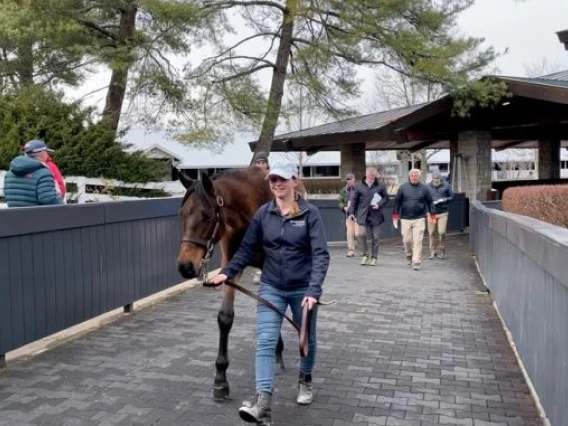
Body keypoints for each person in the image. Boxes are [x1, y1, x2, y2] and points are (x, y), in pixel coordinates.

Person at [210, 162, 330, 425]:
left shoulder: (310, 214)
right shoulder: (264, 214)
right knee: (265, 341)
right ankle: (263, 404)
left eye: (282, 180)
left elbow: (321, 255)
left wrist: (314, 290)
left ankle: (305, 379)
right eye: (273, 180)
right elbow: (246, 249)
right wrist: (226, 273)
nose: (277, 184)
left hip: (303, 289)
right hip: (272, 286)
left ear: (294, 182)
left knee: (306, 339)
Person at [392, 169, 435, 271]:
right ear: (409, 177)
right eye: (412, 176)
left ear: (419, 177)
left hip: (419, 218)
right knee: (407, 240)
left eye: (416, 176)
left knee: (418, 241)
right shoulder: (403, 188)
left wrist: (432, 215)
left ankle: (416, 261)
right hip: (405, 218)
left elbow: (430, 202)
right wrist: (395, 215)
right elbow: (397, 202)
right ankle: (408, 254)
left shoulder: (424, 189)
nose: (414, 177)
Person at [3, 140, 64, 208]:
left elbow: (7, 197)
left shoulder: (9, 174)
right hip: (36, 217)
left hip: (13, 216)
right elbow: (49, 200)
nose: (47, 155)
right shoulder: (44, 173)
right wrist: (65, 208)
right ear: (42, 152)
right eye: (47, 152)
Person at [350, 167, 389, 266]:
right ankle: (365, 254)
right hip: (362, 215)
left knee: (375, 237)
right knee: (360, 235)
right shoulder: (359, 186)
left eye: (373, 176)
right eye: (370, 176)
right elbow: (354, 201)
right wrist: (351, 213)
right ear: (366, 175)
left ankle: (374, 257)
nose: (371, 178)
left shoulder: (380, 185)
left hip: (376, 215)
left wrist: (379, 204)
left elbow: (386, 198)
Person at [252, 152, 270, 284]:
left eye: (262, 162)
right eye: (258, 162)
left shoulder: (272, 177)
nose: (260, 165)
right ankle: (258, 271)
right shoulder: (250, 179)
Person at [427, 170, 454, 259]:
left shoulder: (446, 185)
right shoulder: (427, 187)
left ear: (440, 178)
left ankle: (442, 250)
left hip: (443, 212)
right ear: (432, 178)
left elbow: (452, 197)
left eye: (438, 179)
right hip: (431, 213)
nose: (436, 181)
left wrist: (443, 200)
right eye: (434, 179)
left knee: (441, 232)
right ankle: (433, 252)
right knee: (431, 233)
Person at [338, 172, 358, 257]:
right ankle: (351, 250)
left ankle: (363, 250)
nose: (349, 181)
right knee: (349, 233)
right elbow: (340, 201)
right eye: (348, 179)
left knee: (358, 234)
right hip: (349, 214)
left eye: (350, 179)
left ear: (354, 179)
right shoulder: (344, 190)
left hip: (358, 214)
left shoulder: (359, 189)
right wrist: (344, 207)